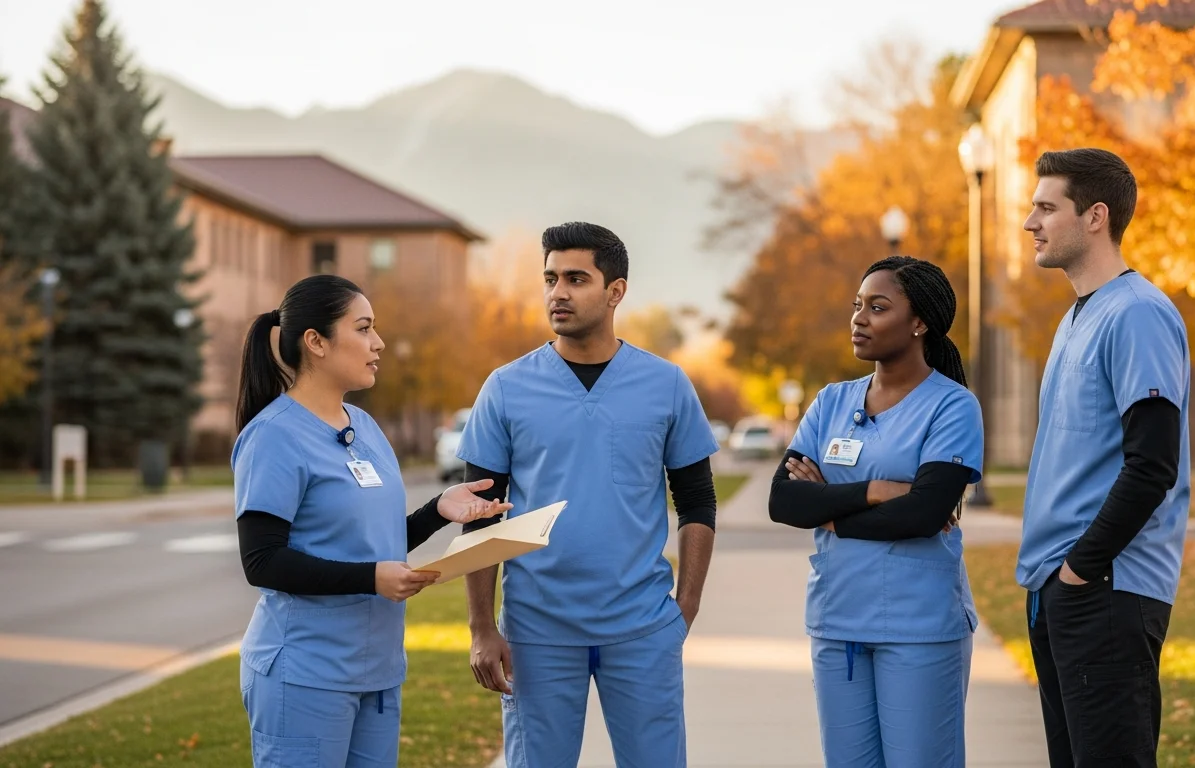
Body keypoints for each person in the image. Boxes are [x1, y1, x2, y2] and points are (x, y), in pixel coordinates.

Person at [456, 222, 720, 767]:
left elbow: (697, 502)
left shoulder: (667, 384)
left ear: (615, 291)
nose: (558, 292)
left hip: (642, 627)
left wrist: (685, 608)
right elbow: (479, 517)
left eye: (576, 278)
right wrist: (483, 626)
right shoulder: (505, 387)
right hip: (536, 631)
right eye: (550, 278)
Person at [232, 275, 510, 768]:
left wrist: (438, 510)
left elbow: (371, 542)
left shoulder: (363, 427)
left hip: (376, 673)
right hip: (306, 672)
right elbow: (262, 561)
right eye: (363, 329)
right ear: (316, 342)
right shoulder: (273, 436)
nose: (377, 342)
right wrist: (371, 579)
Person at [768, 255, 983, 768]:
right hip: (838, 622)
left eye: (878, 307)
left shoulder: (951, 406)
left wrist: (829, 512)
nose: (859, 318)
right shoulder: (830, 402)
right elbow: (783, 500)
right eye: (857, 305)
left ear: (919, 322)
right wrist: (875, 491)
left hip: (919, 628)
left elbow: (923, 515)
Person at [1017, 148, 1190, 768]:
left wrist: (1080, 570)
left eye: (1045, 207)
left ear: (1095, 216)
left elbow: (1152, 464)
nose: (1029, 221)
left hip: (1107, 589)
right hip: (1060, 590)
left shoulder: (1137, 313)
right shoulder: (1075, 319)